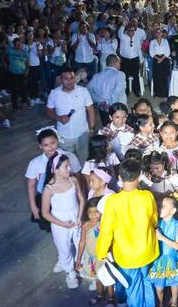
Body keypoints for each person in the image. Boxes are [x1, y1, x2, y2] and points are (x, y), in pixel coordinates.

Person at [95, 161, 159, 307]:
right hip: (147, 249)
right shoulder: (147, 196)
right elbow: (154, 220)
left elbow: (106, 230)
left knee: (133, 287)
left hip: (125, 254)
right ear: (139, 177)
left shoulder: (113, 201)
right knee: (146, 281)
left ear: (120, 178)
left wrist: (101, 251)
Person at [41, 154, 84, 290]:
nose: (69, 168)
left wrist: (80, 216)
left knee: (80, 245)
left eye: (68, 165)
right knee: (64, 248)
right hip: (60, 225)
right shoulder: (49, 189)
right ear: (55, 169)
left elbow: (81, 199)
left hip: (76, 221)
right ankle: (70, 272)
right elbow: (45, 213)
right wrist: (63, 224)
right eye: (66, 166)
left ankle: (80, 266)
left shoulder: (73, 181)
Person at [46, 67, 96, 163]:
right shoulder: (54, 94)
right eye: (66, 78)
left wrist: (92, 128)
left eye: (72, 78)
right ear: (61, 80)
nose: (69, 81)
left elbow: (90, 109)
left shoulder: (83, 91)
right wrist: (59, 118)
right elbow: (49, 110)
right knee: (68, 163)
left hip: (82, 133)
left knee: (85, 162)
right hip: (64, 136)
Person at [87, 55, 127, 123]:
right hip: (118, 108)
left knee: (106, 128)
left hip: (102, 108)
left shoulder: (97, 76)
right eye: (119, 63)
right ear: (116, 63)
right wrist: (110, 106)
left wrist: (100, 102)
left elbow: (88, 89)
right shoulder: (120, 74)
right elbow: (116, 92)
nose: (120, 65)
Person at [149, 29, 171, 97]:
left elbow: (168, 51)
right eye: (157, 32)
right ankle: (157, 93)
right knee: (157, 76)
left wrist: (162, 58)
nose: (158, 34)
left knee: (164, 76)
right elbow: (151, 52)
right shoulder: (152, 42)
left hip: (164, 59)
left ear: (162, 33)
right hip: (156, 59)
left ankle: (164, 93)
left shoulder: (165, 41)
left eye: (160, 32)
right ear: (155, 34)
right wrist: (158, 58)